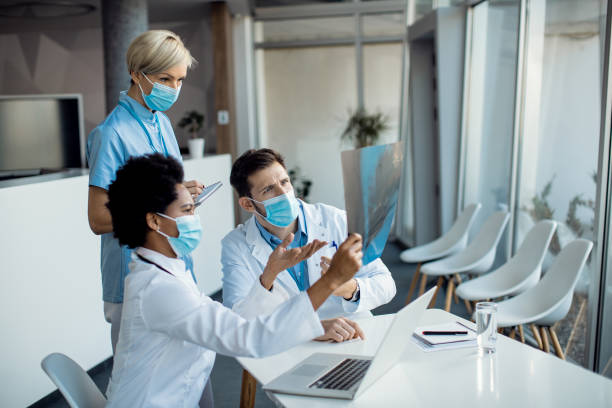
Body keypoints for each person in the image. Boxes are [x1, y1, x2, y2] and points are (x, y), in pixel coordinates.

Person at [104, 153, 363, 408]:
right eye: (187, 210)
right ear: (154, 221)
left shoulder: (162, 270)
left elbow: (237, 321)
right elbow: (251, 339)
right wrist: (330, 281)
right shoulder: (159, 289)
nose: (195, 217)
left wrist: (268, 274)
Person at [86, 30, 204, 353]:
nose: (174, 89)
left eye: (179, 80)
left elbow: (159, 193)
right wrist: (158, 206)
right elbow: (97, 218)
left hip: (174, 266)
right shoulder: (111, 135)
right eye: (166, 78)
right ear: (136, 74)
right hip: (134, 275)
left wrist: (180, 194)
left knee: (192, 375)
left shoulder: (161, 123)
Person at [221, 148, 396, 342]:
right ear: (247, 204)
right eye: (268, 189)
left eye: (284, 182)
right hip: (286, 346)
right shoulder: (236, 245)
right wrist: (310, 329)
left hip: (352, 335)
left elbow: (386, 284)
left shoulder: (335, 220)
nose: (283, 193)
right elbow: (238, 321)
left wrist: (349, 288)